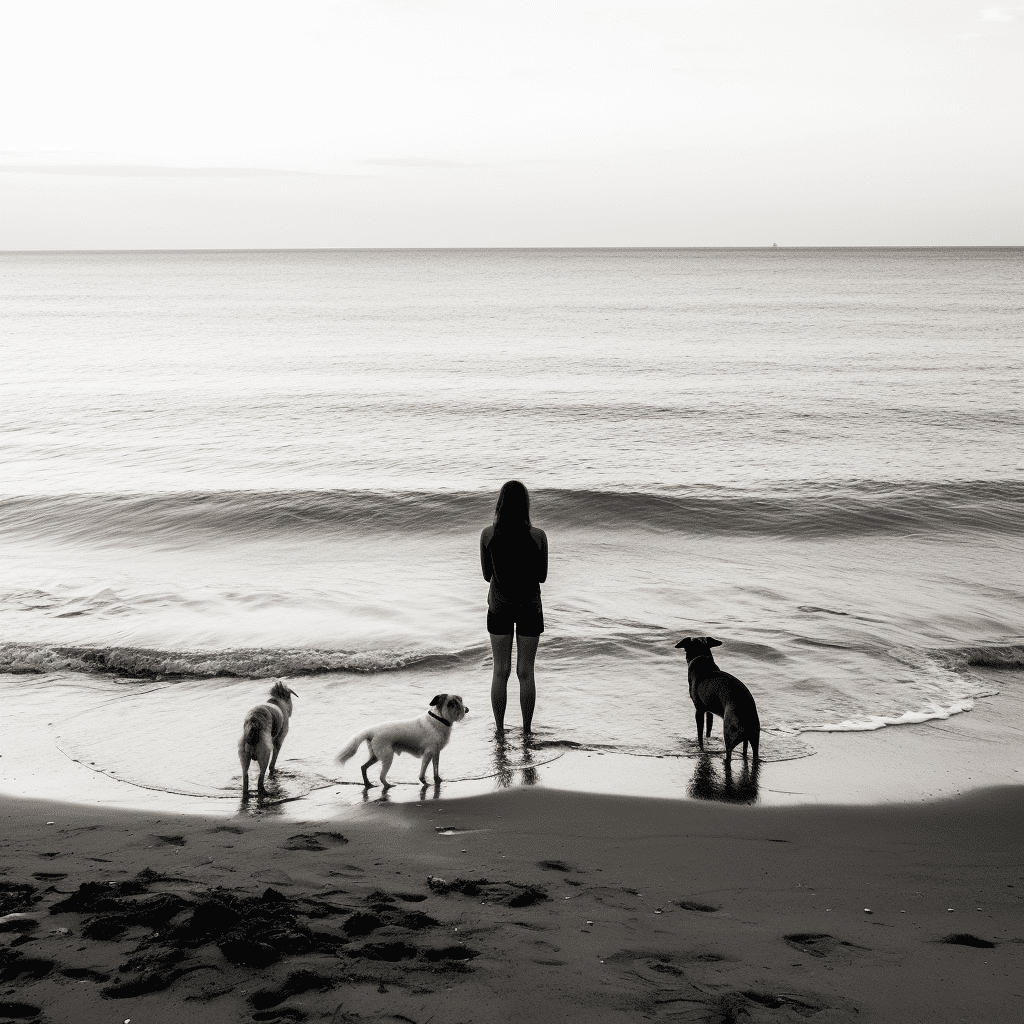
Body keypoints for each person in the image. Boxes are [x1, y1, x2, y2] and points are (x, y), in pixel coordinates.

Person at [480, 480, 548, 734]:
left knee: (500, 671)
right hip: (530, 607)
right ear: (525, 505)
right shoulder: (538, 536)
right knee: (525, 673)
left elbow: (487, 575)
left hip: (499, 607)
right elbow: (541, 576)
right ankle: (527, 731)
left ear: (500, 503)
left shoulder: (488, 534)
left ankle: (500, 730)